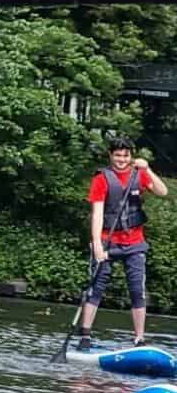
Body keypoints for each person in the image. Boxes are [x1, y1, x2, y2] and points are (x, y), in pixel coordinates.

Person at [77, 138, 168, 350]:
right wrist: (97, 245)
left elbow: (163, 191)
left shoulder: (140, 174)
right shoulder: (101, 179)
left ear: (131, 156)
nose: (121, 159)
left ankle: (139, 338)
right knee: (96, 288)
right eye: (117, 155)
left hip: (135, 243)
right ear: (111, 155)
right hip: (108, 242)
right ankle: (85, 336)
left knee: (137, 290)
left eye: (126, 155)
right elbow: (97, 214)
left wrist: (149, 169)